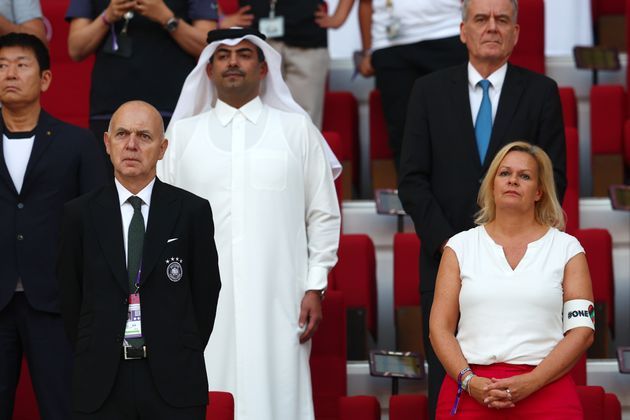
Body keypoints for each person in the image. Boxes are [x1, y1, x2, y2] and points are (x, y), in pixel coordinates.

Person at [158, 27, 341, 420]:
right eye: (222, 56)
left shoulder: (296, 130)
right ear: (208, 71)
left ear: (263, 68)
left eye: (243, 54)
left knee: (278, 396)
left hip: (281, 296)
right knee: (205, 391)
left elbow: (323, 213)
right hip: (198, 300)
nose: (233, 62)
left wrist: (315, 284)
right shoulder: (183, 136)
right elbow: (162, 220)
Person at [397, 0, 567, 417]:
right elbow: (412, 180)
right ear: (462, 30)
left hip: (522, 269)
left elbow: (553, 178)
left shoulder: (542, 92)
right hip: (444, 264)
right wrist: (452, 248)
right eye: (481, 19)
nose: (491, 27)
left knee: (524, 385)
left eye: (502, 20)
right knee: (450, 388)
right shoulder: (428, 90)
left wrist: (513, 245)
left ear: (516, 33)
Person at [57, 100, 222, 419]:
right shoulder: (78, 215)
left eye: (144, 136)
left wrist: (177, 346)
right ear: (107, 143)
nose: (131, 145)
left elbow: (205, 295)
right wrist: (95, 345)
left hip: (173, 377)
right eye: (122, 134)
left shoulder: (192, 212)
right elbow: (70, 297)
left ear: (162, 148)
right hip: (101, 378)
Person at [430, 141, 594, 419]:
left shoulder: (568, 249)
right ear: (492, 185)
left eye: (525, 176)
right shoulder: (460, 246)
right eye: (504, 173)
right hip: (472, 389)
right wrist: (470, 381)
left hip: (546, 387)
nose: (513, 181)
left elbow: (582, 331)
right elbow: (439, 329)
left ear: (539, 191)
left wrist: (533, 381)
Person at [0, 33, 107, 419]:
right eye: (1, 65)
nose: (10, 73)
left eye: (21, 64)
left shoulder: (76, 144)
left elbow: (100, 225)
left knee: (64, 408)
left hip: (56, 302)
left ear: (45, 78)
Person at [65, 0, 218, 177]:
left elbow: (209, 46)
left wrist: (167, 18)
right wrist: (107, 16)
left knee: (175, 192)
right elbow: (76, 48)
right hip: (109, 112)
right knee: (108, 194)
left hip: (175, 112)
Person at [358, 0, 468, 170]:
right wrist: (367, 51)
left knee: (455, 127)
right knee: (402, 133)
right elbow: (365, 3)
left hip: (447, 33)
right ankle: (412, 195)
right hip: (390, 44)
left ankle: (458, 194)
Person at [235, 0, 354, 128]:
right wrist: (221, 18)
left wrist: (339, 17)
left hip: (306, 40)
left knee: (305, 120)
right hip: (258, 41)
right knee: (256, 116)